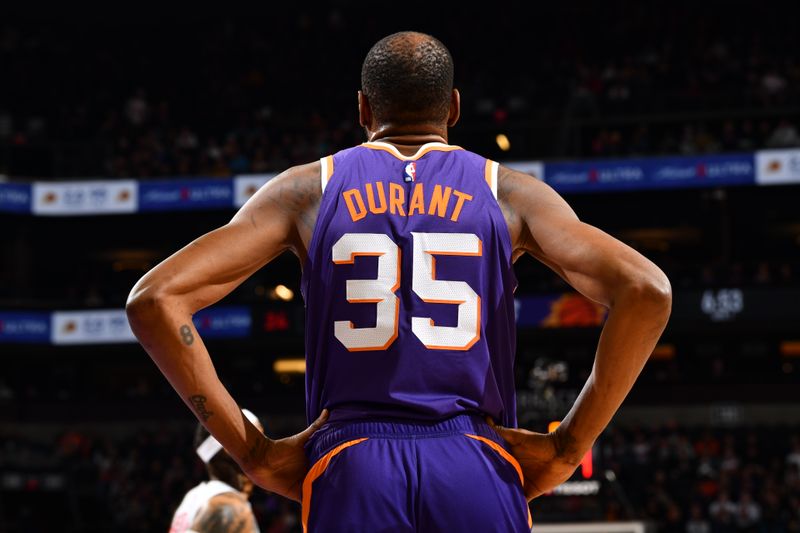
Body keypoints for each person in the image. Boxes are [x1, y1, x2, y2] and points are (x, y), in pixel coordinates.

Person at [127, 31, 671, 532]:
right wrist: (568, 447)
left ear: (362, 108)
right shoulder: (508, 193)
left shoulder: (305, 192)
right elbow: (647, 291)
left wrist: (253, 454)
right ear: (454, 107)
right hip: (474, 461)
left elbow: (154, 300)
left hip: (351, 461)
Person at [169, 409, 263, 533]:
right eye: (258, 441)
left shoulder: (194, 496)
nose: (265, 451)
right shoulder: (231, 508)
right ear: (231, 449)